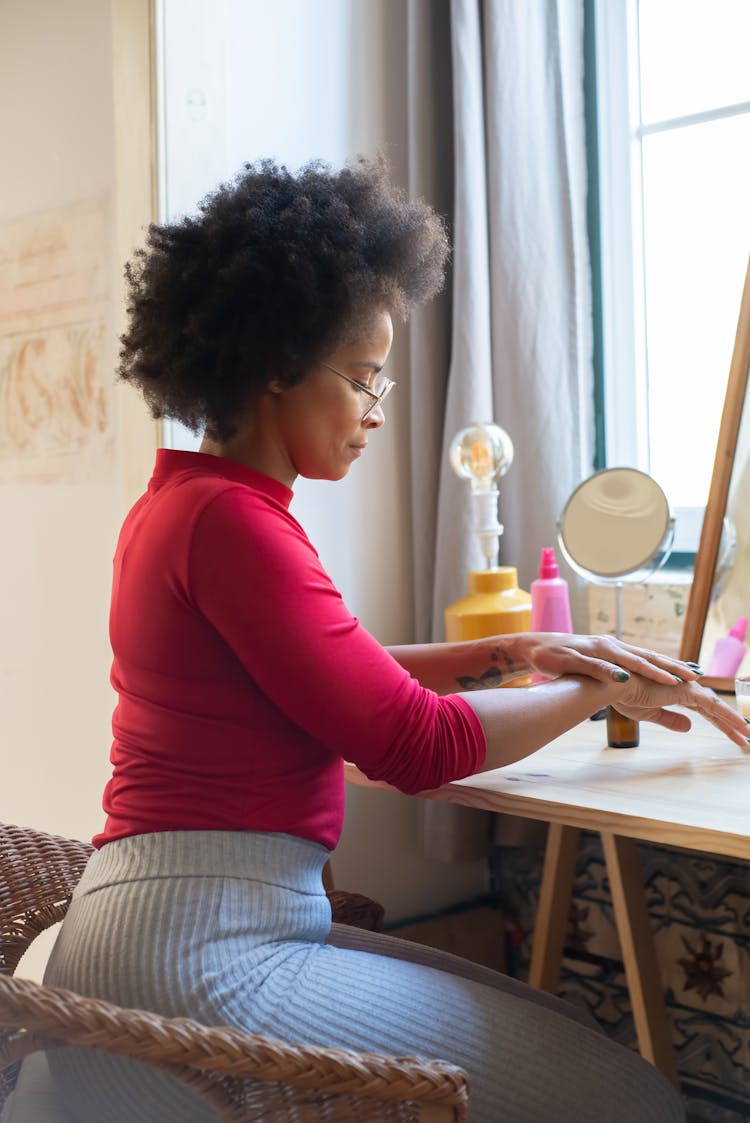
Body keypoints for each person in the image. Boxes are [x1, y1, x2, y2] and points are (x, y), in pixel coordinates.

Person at [12, 156, 748, 1123]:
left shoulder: (185, 505)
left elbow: (321, 674)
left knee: (561, 1031)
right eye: (363, 376)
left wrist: (512, 652)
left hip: (153, 926)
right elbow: (413, 743)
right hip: (197, 955)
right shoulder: (234, 526)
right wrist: (601, 692)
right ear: (276, 363)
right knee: (631, 1101)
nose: (377, 409)